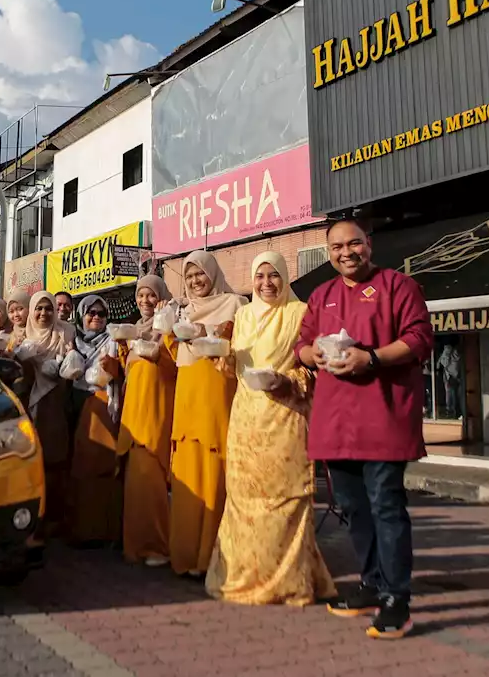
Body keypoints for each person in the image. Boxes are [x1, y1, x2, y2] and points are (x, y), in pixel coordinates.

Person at [295, 218, 433, 640]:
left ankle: (397, 599)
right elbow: (300, 346)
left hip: (384, 418)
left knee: (386, 507)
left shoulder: (398, 286)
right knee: (353, 509)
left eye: (353, 243)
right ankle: (371, 584)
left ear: (368, 245)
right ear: (329, 252)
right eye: (336, 247)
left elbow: (420, 338)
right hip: (336, 422)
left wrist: (370, 359)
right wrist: (311, 355)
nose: (346, 252)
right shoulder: (322, 295)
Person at [207, 252, 338, 607]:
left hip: (285, 418)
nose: (267, 283)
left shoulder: (300, 314)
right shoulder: (243, 316)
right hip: (246, 420)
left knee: (286, 499)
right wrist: (221, 357)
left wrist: (287, 380)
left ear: (285, 278)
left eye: (274, 275)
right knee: (244, 499)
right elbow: (233, 368)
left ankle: (289, 583)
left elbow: (313, 367)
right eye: (260, 276)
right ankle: (243, 576)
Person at [168, 251, 248, 578]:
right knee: (188, 479)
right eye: (189, 277)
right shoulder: (181, 311)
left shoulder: (235, 304)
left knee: (217, 478)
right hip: (187, 397)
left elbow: (243, 347)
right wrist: (169, 333)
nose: (195, 282)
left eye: (200, 274)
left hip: (218, 397)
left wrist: (208, 333)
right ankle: (186, 555)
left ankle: (214, 558)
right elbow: (174, 354)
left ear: (212, 274)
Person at [118, 275, 179, 566]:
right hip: (133, 411)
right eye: (140, 295)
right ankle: (136, 544)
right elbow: (125, 370)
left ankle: (157, 545)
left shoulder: (171, 323)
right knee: (135, 484)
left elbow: (175, 363)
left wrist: (165, 327)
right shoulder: (133, 330)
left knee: (152, 478)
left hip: (157, 409)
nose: (145, 301)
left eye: (151, 295)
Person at [11, 291, 75, 530]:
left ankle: (54, 518)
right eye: (39, 308)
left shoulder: (66, 332)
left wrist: (68, 357)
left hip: (56, 403)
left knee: (55, 460)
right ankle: (31, 517)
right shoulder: (21, 337)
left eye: (48, 309)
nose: (43, 313)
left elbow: (74, 366)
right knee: (31, 462)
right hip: (28, 404)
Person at [67, 295, 124, 546]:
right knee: (79, 470)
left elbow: (122, 372)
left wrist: (113, 368)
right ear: (81, 315)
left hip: (101, 404)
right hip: (74, 405)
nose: (96, 318)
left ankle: (104, 531)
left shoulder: (113, 340)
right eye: (91, 313)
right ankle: (82, 529)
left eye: (101, 313)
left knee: (101, 469)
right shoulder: (73, 341)